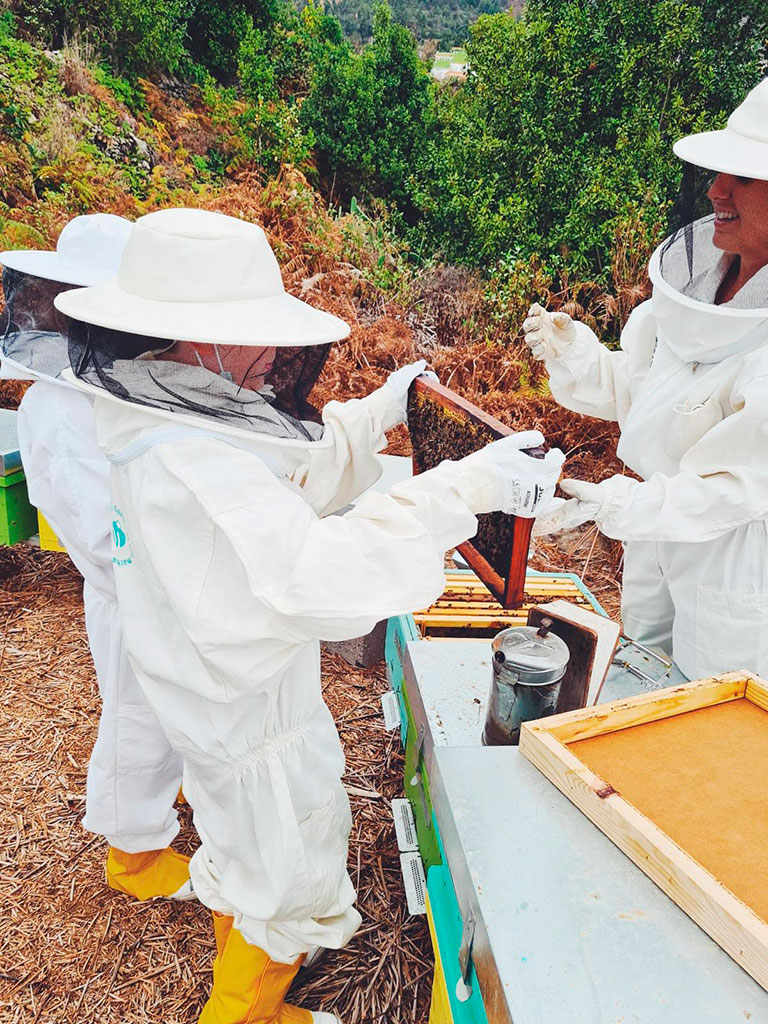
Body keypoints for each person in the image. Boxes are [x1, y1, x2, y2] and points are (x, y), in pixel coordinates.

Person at [54, 207, 564, 1023]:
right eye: (254, 333)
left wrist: (381, 410)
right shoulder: (190, 462)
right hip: (245, 716)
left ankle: (247, 975)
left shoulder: (166, 413)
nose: (272, 356)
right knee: (283, 878)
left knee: (242, 858)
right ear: (200, 339)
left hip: (218, 705)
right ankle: (243, 1014)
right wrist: (468, 489)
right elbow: (318, 574)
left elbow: (283, 478)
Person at [523, 78, 768, 682]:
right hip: (657, 532)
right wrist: (577, 354)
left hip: (734, 560)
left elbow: (740, 487)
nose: (716, 190)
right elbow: (651, 392)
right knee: (642, 678)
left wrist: (622, 504)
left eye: (743, 177)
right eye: (717, 173)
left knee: (712, 722)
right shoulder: (697, 282)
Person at [0, 215, 192, 901]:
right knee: (138, 716)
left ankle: (177, 798)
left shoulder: (112, 384)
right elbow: (100, 536)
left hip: (162, 583)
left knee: (173, 709)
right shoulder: (56, 412)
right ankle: (132, 850)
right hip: (135, 591)